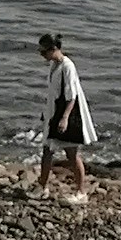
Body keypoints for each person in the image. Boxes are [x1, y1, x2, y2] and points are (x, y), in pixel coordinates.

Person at [36, 32, 96, 202]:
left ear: (54, 49)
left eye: (44, 52)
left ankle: (81, 191)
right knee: (47, 150)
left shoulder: (67, 67)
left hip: (65, 114)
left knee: (71, 153)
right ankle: (43, 187)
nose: (42, 56)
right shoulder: (54, 65)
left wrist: (65, 118)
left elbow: (72, 95)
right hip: (54, 112)